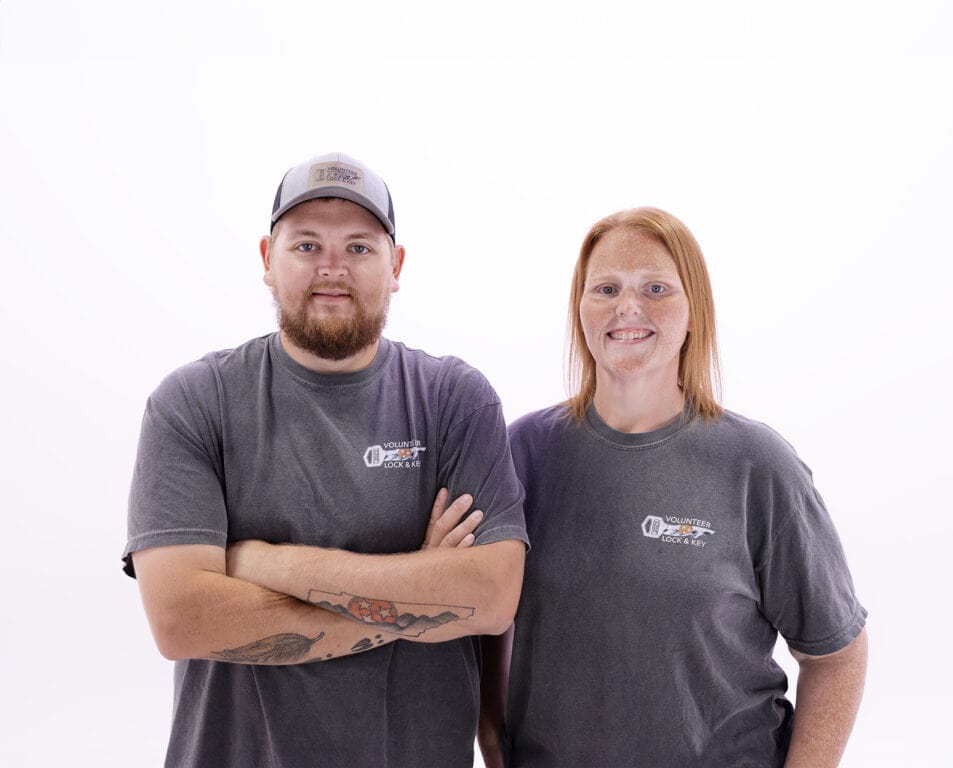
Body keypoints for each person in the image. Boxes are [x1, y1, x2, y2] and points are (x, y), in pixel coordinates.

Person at [123, 152, 528, 768]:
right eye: (307, 244)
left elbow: (492, 597)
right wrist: (422, 596)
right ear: (267, 260)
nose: (332, 268)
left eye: (360, 248)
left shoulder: (455, 401)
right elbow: (182, 620)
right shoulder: (195, 402)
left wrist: (261, 562)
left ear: (395, 266)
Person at [478, 207, 867, 767]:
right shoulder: (522, 454)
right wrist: (492, 739)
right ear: (580, 309)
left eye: (655, 287)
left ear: (693, 312)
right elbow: (485, 622)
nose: (627, 307)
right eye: (606, 288)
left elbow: (837, 655)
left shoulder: (757, 465)